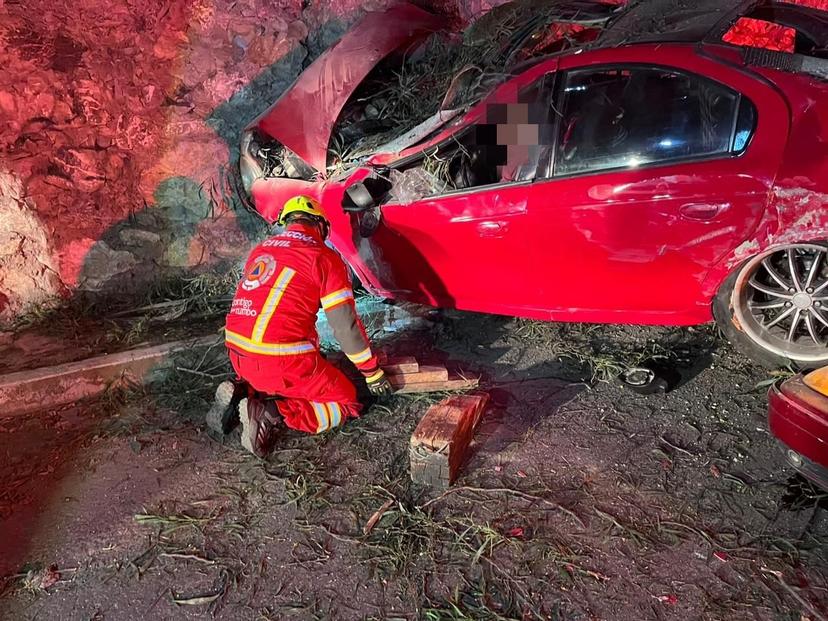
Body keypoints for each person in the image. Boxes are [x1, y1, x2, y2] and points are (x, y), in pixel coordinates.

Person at [207, 195, 392, 457]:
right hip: (281, 362)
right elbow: (345, 328)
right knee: (347, 401)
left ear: (286, 222)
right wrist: (372, 372)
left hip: (238, 355)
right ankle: (274, 413)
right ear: (321, 226)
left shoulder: (262, 250)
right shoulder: (324, 258)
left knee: (285, 366)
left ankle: (243, 389)